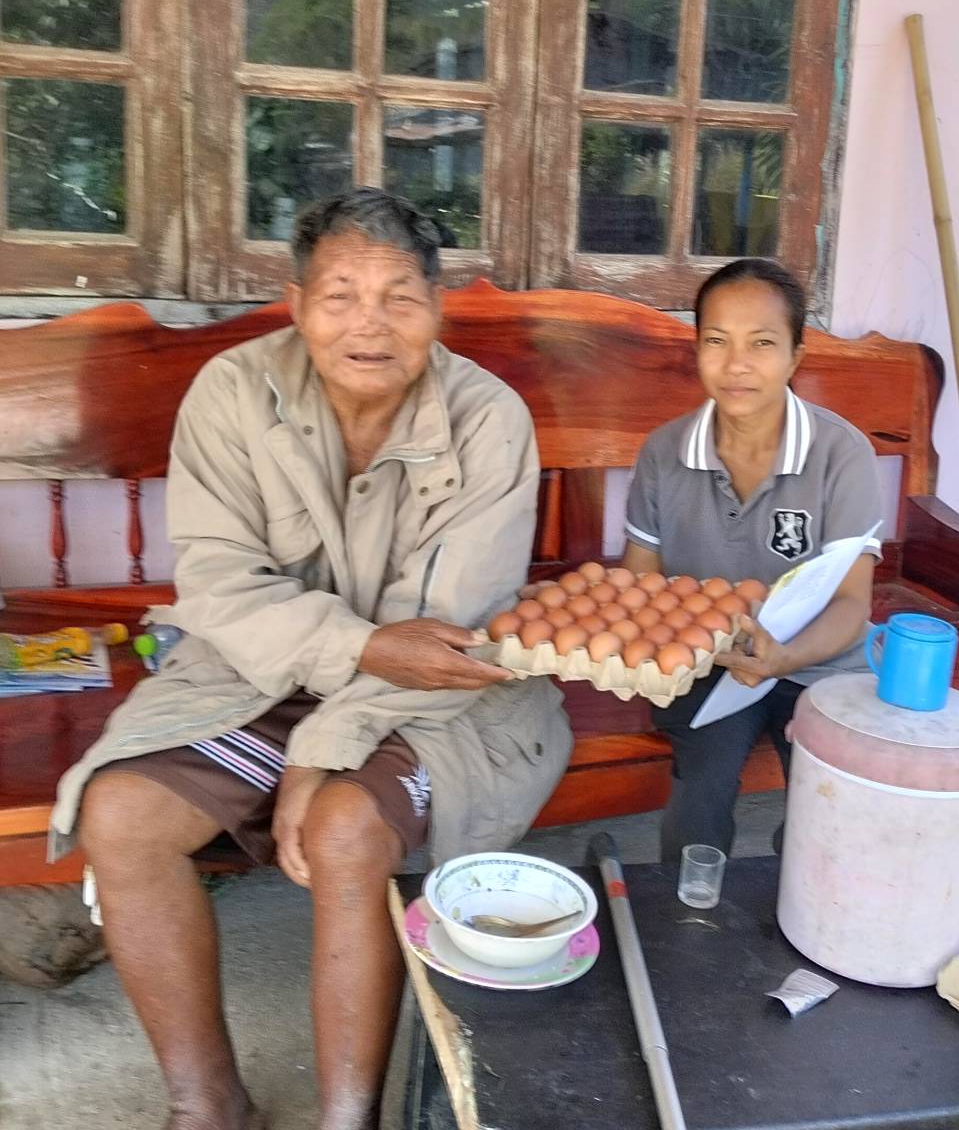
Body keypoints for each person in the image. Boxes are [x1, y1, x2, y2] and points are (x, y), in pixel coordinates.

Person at [49, 188, 572, 1130]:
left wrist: (319, 755)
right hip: (254, 670)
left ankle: (346, 1118)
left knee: (344, 828)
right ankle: (208, 1106)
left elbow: (443, 634)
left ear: (436, 309)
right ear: (296, 305)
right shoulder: (233, 392)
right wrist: (348, 659)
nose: (369, 324)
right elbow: (219, 582)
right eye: (340, 296)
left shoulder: (487, 418)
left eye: (400, 297)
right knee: (120, 813)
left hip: (443, 689)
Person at [621, 258, 881, 862]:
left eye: (761, 343)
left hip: (818, 659)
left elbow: (851, 604)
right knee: (701, 796)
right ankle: (692, 907)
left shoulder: (840, 454)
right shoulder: (664, 452)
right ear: (697, 349)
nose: (737, 364)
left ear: (795, 356)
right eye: (717, 341)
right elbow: (640, 581)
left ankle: (808, 902)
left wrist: (785, 657)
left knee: (829, 802)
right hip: (707, 662)